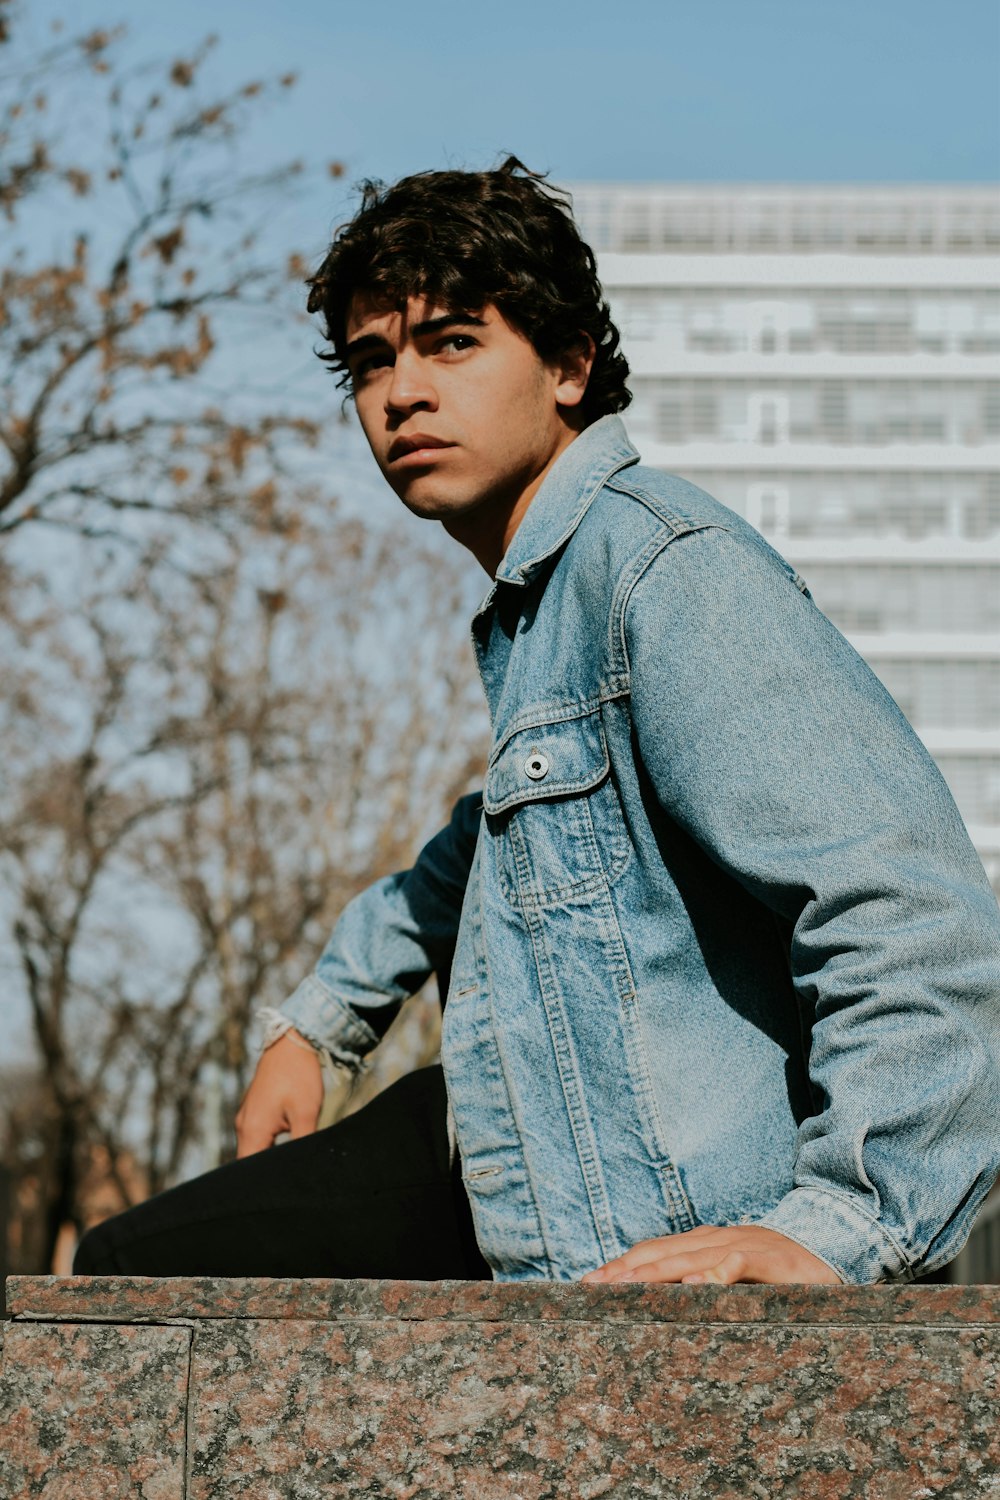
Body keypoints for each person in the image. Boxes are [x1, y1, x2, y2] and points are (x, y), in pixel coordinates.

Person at [76, 158, 1000, 1287]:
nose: (399, 393)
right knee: (129, 1269)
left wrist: (847, 1226)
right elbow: (487, 844)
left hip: (636, 1198)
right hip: (508, 1123)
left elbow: (910, 914)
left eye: (452, 342)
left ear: (568, 369)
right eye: (372, 361)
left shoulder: (665, 572)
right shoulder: (544, 605)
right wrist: (319, 1023)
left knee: (133, 1286)